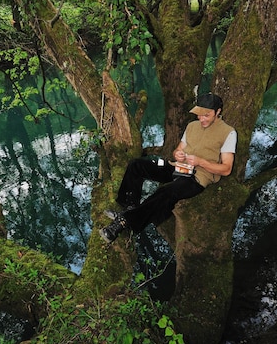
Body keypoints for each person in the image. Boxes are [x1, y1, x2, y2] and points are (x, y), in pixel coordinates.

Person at [99, 92, 237, 244]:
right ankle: (129, 206)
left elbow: (226, 169)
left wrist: (201, 162)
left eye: (206, 115)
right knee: (137, 165)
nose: (202, 119)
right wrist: (177, 154)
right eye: (200, 114)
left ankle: (122, 223)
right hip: (176, 167)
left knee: (165, 192)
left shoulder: (228, 133)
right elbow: (178, 150)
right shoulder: (192, 126)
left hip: (197, 177)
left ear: (218, 112)